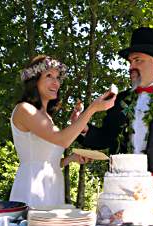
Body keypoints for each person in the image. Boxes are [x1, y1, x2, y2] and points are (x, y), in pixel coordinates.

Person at [72, 27, 153, 209]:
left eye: (138, 60)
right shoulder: (118, 101)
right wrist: (82, 127)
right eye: (130, 61)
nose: (131, 66)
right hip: (124, 193)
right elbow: (105, 138)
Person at [9, 55, 116, 207]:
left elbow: (47, 162)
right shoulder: (25, 109)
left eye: (58, 78)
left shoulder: (46, 117)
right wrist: (92, 108)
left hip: (52, 189)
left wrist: (71, 159)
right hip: (32, 189)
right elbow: (62, 140)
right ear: (34, 81)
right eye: (49, 76)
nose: (56, 82)